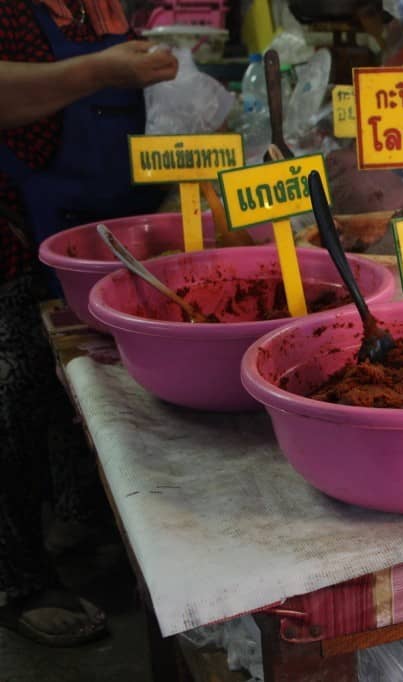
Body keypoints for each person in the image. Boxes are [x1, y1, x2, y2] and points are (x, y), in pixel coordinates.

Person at [0, 0, 177, 647]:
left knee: (78, 381)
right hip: (13, 227)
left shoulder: (99, 5)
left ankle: (78, 517)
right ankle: (16, 577)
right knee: (13, 397)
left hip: (95, 229)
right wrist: (101, 70)